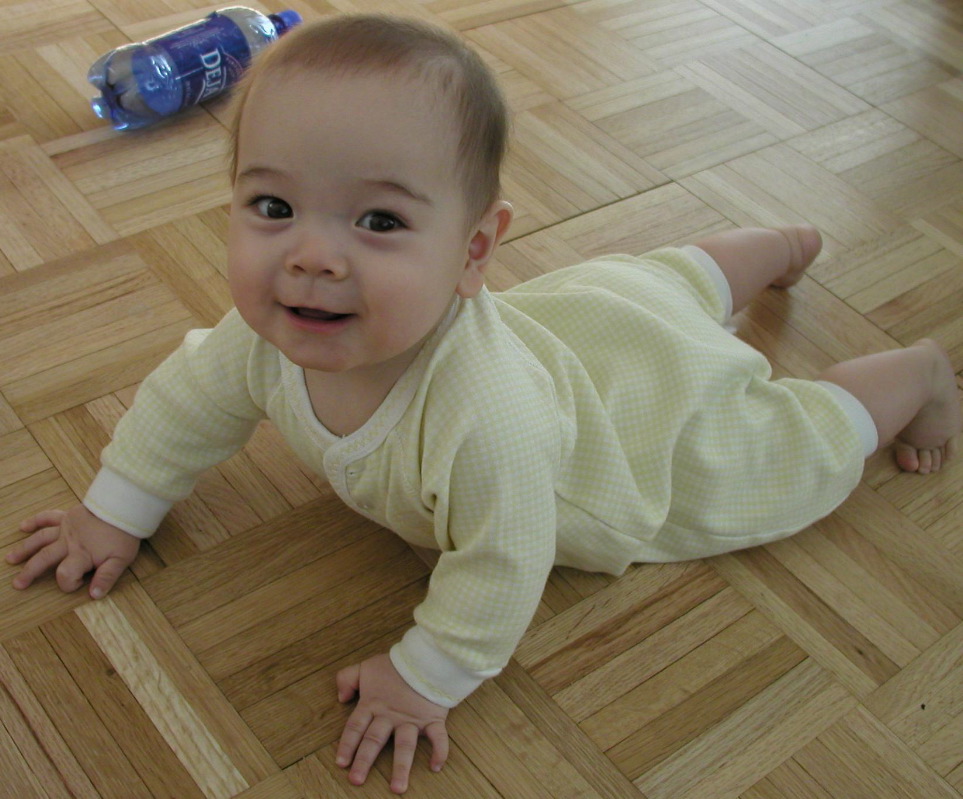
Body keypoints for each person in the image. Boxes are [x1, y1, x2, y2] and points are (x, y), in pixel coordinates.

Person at [7, 13, 960, 795]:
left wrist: (424, 676)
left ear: (473, 251)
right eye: (272, 207)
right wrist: (116, 507)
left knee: (787, 452)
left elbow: (503, 563)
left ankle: (912, 373)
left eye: (379, 220)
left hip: (625, 447)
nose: (312, 256)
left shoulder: (487, 420)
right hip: (580, 331)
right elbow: (187, 403)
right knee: (653, 287)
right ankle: (782, 244)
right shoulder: (262, 332)